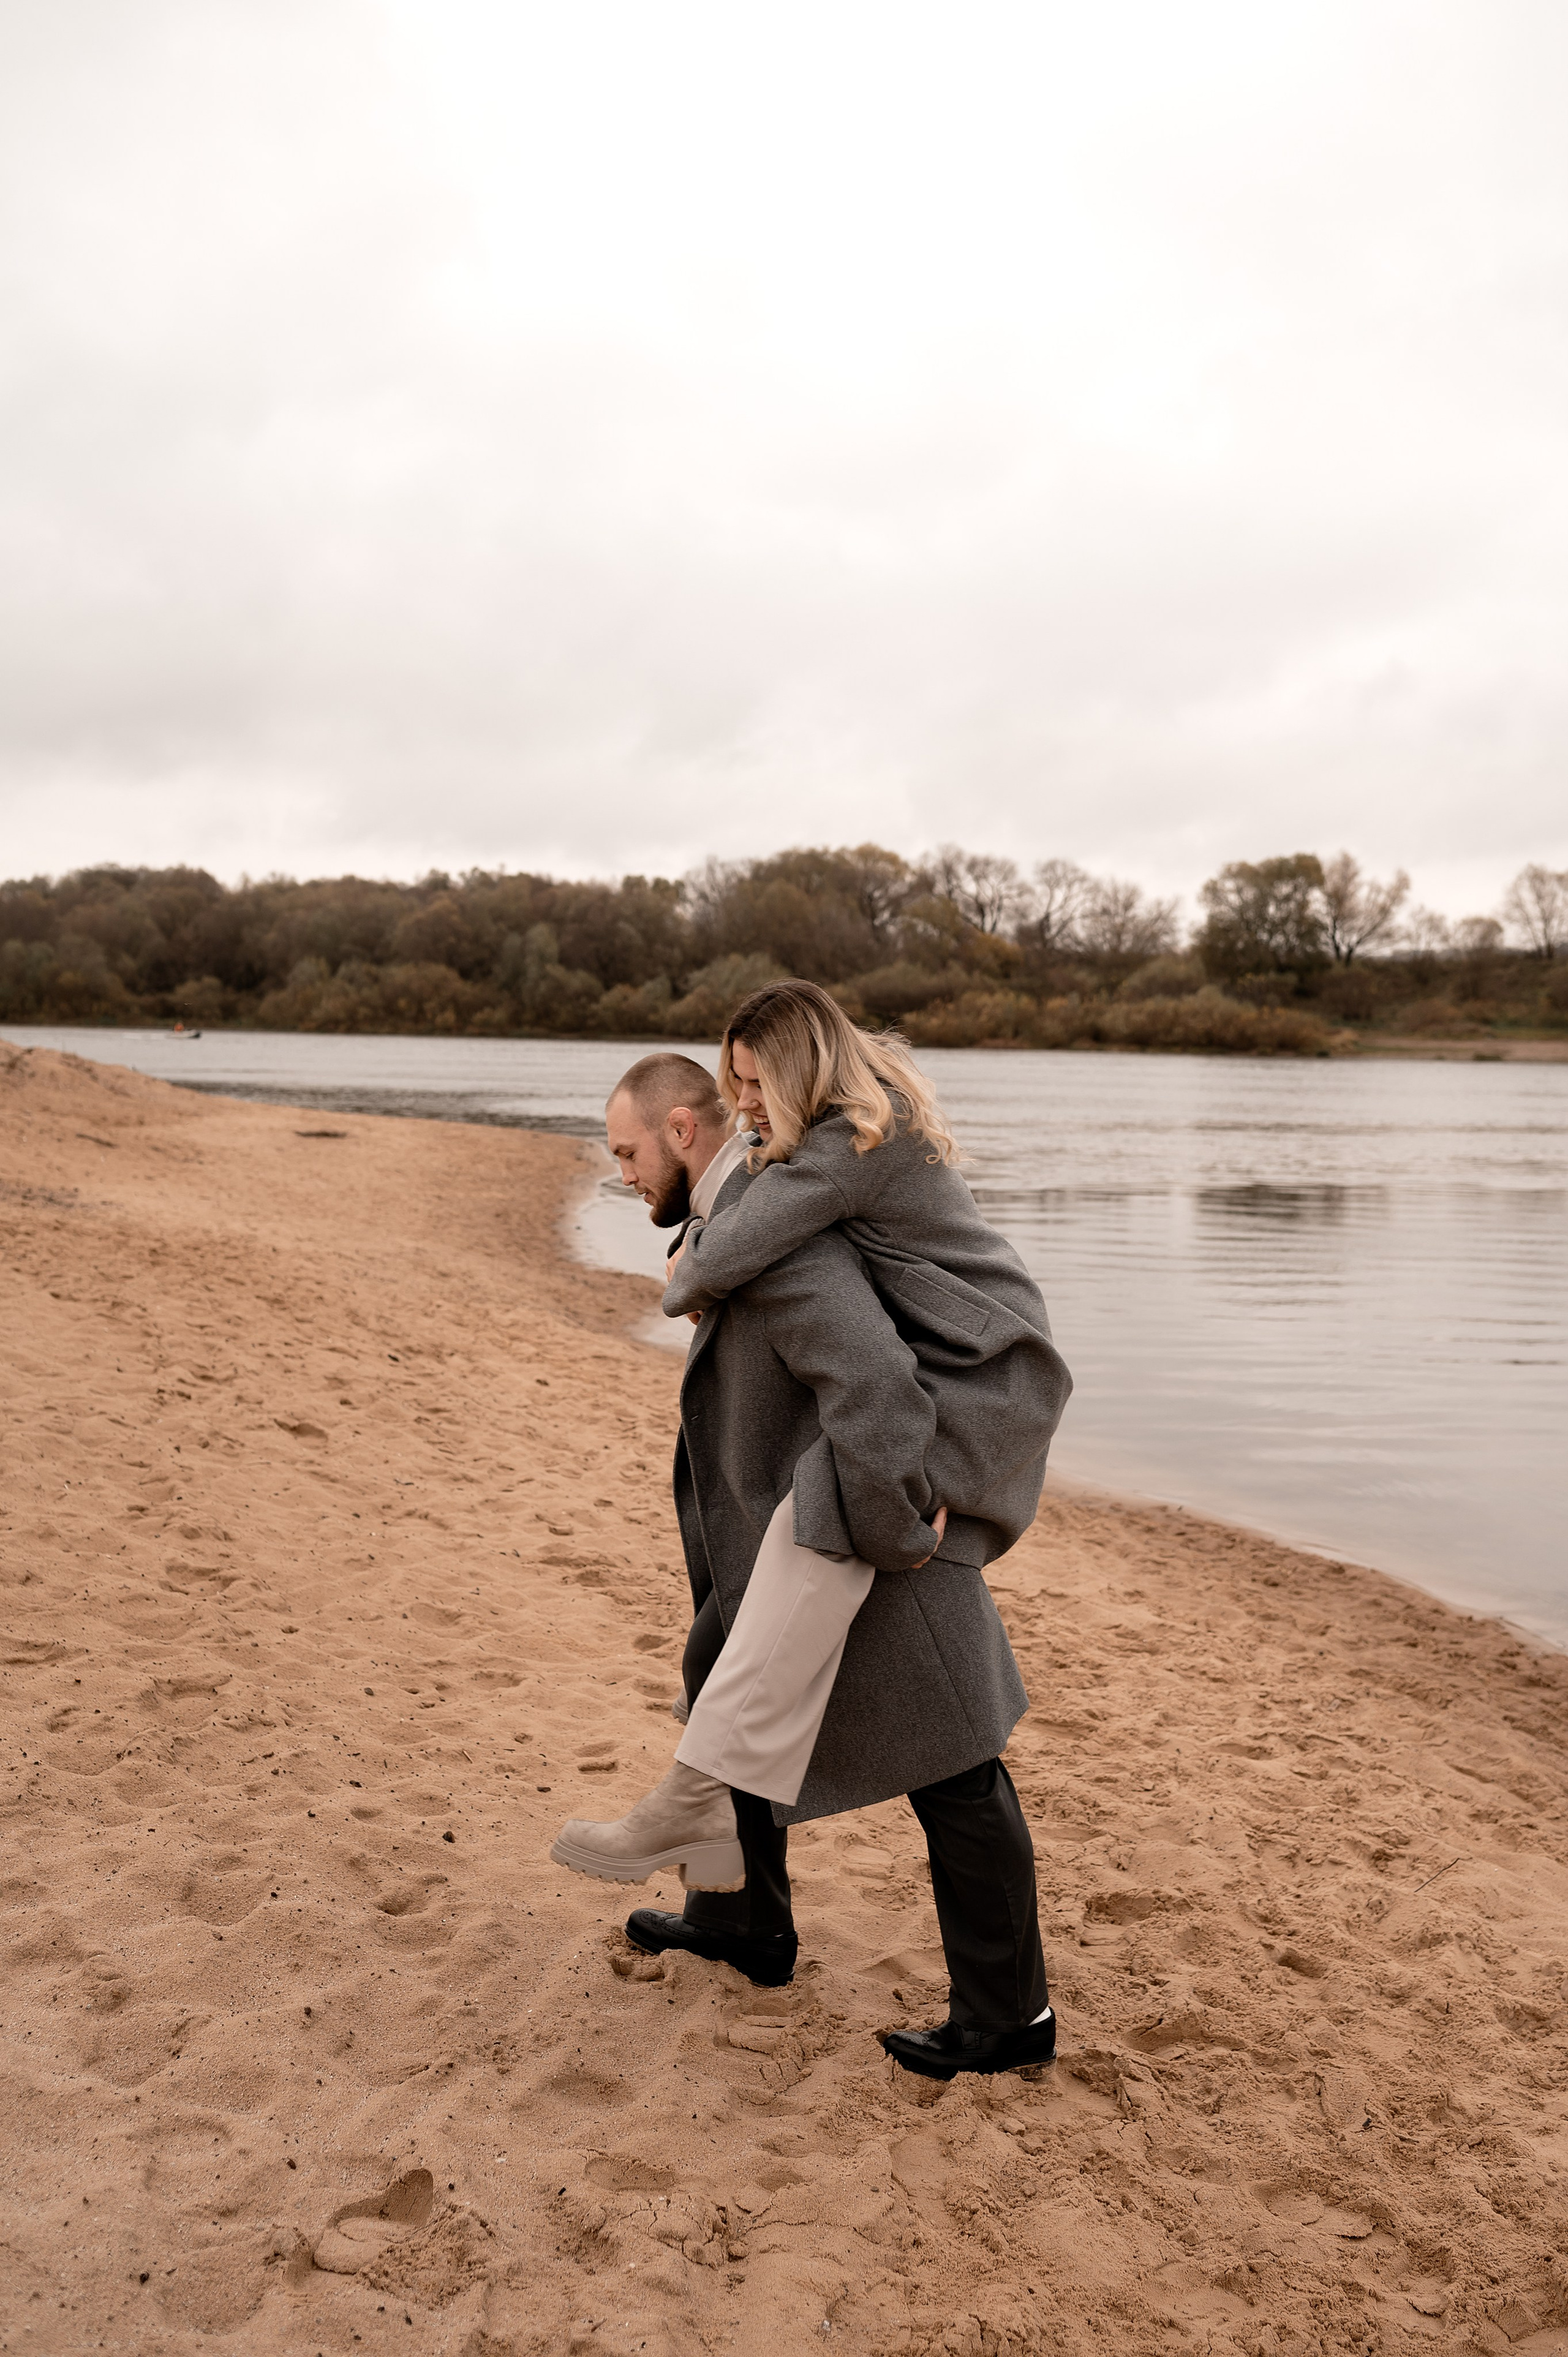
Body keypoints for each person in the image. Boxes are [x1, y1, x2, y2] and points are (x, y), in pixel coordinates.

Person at [552, 1030, 1070, 2080]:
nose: (621, 1175)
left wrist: (889, 1522)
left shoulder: (776, 1226)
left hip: (874, 1527)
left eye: (627, 1154)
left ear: (681, 1130)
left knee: (958, 1767)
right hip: (800, 1525)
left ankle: (1009, 2020)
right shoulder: (737, 1216)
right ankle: (742, 1923)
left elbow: (874, 1379)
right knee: (722, 1690)